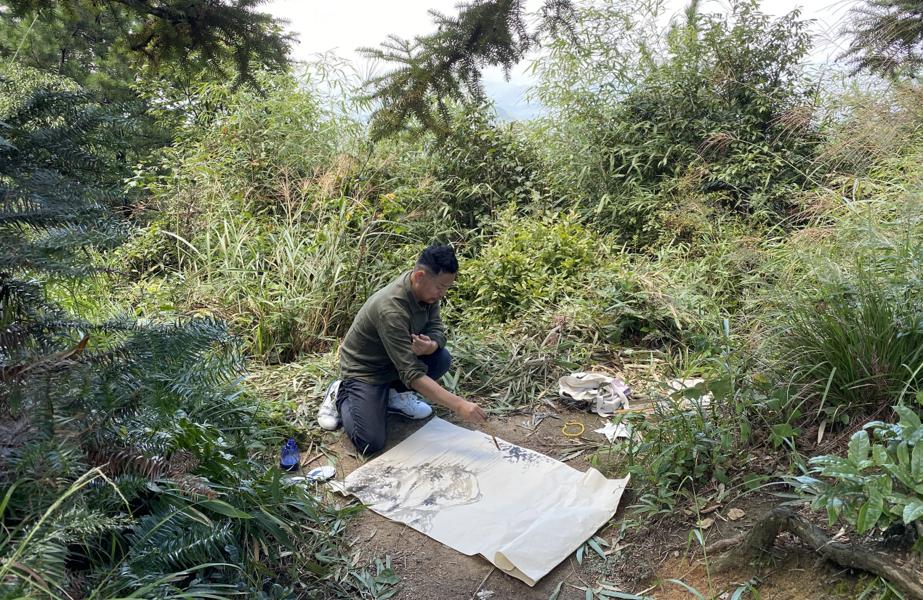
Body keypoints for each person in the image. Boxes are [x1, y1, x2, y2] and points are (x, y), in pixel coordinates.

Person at [316, 244, 487, 454]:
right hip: (366, 371)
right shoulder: (390, 309)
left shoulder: (427, 293)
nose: (442, 293)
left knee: (440, 358)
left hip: (396, 361)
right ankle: (341, 392)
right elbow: (412, 373)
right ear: (419, 276)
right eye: (440, 286)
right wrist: (459, 405)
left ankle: (394, 394)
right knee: (370, 442)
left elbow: (437, 329)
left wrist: (430, 345)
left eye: (446, 288)